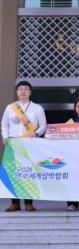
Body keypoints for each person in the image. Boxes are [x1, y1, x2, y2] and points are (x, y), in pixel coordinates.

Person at [2, 81, 46, 212]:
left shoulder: (37, 108)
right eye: (20, 89)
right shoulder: (10, 107)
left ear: (30, 92)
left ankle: (28, 203)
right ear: (17, 92)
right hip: (13, 143)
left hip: (29, 143)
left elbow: (43, 125)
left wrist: (36, 133)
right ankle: (14, 203)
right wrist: (5, 136)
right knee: (13, 173)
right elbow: (4, 124)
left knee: (28, 173)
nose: (23, 91)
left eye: (26, 89)